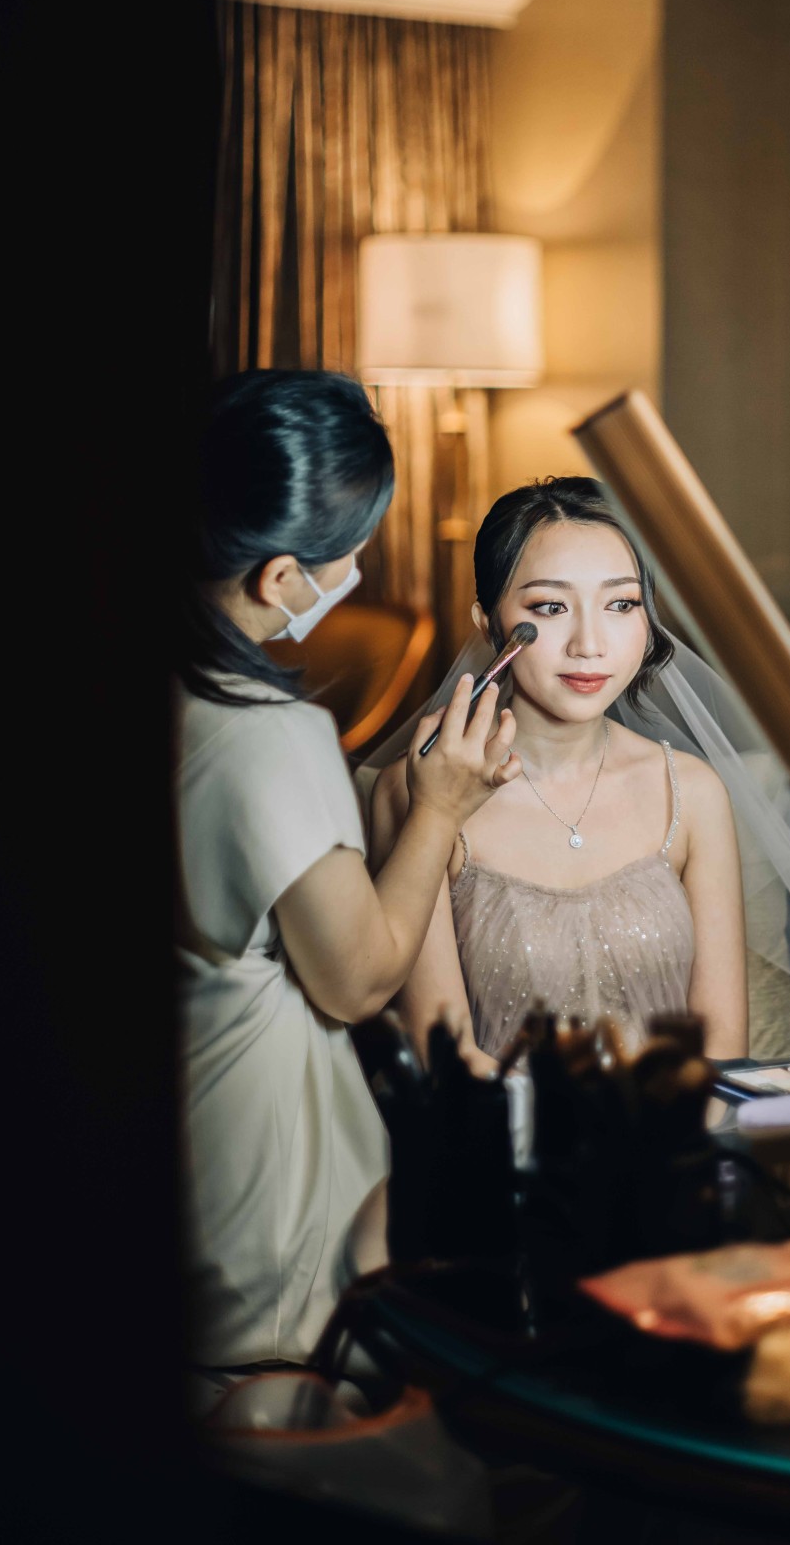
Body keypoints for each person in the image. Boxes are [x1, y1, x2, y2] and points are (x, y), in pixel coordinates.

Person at [176, 370, 520, 1373]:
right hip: (245, 1150)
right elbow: (358, 978)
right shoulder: (267, 736)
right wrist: (440, 807)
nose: (359, 570)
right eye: (351, 552)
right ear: (280, 578)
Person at [370, 478, 751, 1066]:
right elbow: (445, 1056)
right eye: (550, 607)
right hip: (498, 1124)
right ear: (489, 623)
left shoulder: (693, 792)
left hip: (678, 1122)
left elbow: (722, 1044)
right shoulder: (417, 792)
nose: (589, 644)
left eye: (621, 604)